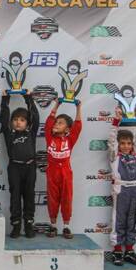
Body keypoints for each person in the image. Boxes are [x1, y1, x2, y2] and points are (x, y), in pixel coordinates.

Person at [0, 91, 40, 238]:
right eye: (15, 119)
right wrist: (5, 100)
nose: (18, 122)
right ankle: (16, 225)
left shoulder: (31, 132)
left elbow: (35, 117)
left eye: (22, 120)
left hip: (30, 167)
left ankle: (29, 224)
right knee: (15, 196)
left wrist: (28, 98)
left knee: (29, 196)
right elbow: (3, 120)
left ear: (27, 123)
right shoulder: (9, 133)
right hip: (14, 168)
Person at [108, 107, 136, 266]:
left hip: (135, 189)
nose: (126, 146)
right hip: (120, 189)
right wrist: (116, 120)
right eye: (122, 143)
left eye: (129, 143)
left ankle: (129, 250)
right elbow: (111, 140)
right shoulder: (114, 155)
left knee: (133, 220)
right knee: (119, 220)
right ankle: (117, 250)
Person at [45, 99, 82, 238]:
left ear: (67, 129)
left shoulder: (69, 140)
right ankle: (53, 226)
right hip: (52, 173)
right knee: (53, 199)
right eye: (56, 122)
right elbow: (49, 121)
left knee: (67, 199)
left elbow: (77, 126)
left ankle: (66, 226)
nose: (56, 124)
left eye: (60, 123)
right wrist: (56, 105)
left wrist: (78, 108)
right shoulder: (50, 138)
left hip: (66, 173)